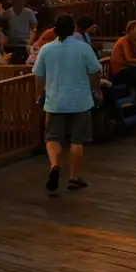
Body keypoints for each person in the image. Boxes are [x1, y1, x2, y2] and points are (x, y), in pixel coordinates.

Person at [32, 14, 101, 195]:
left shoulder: (47, 49)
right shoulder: (83, 48)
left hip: (54, 100)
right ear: (74, 29)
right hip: (80, 99)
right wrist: (96, 89)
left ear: (55, 29)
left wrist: (39, 95)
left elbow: (38, 75)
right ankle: (73, 177)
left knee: (52, 137)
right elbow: (95, 70)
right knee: (77, 141)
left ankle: (55, 164)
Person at [108, 20, 136, 115]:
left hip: (127, 70)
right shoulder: (124, 41)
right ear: (131, 30)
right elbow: (129, 59)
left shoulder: (133, 43)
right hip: (120, 72)